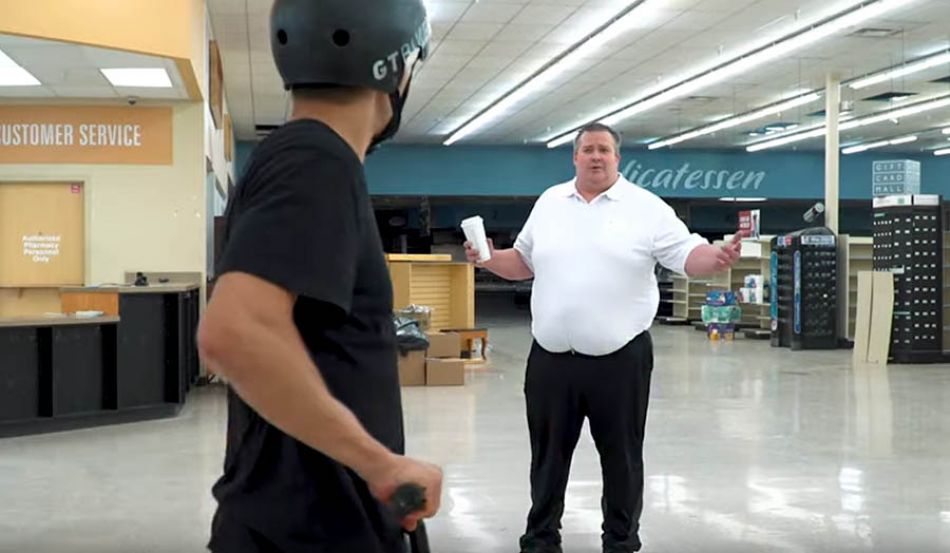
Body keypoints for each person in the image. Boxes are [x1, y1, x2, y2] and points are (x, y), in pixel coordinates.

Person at [197, 1, 441, 552]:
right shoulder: (315, 157)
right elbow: (234, 333)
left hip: (303, 516)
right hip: (311, 528)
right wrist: (380, 465)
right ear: (398, 68)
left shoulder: (293, 157)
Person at [465, 122, 743, 553]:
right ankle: (540, 539)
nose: (596, 156)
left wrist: (716, 258)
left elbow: (688, 254)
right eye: (588, 149)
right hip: (551, 359)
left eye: (605, 150)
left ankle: (620, 540)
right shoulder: (550, 202)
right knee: (547, 458)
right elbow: (522, 261)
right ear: (574, 157)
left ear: (618, 158)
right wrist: (486, 259)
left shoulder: (646, 207)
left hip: (620, 361)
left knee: (622, 458)